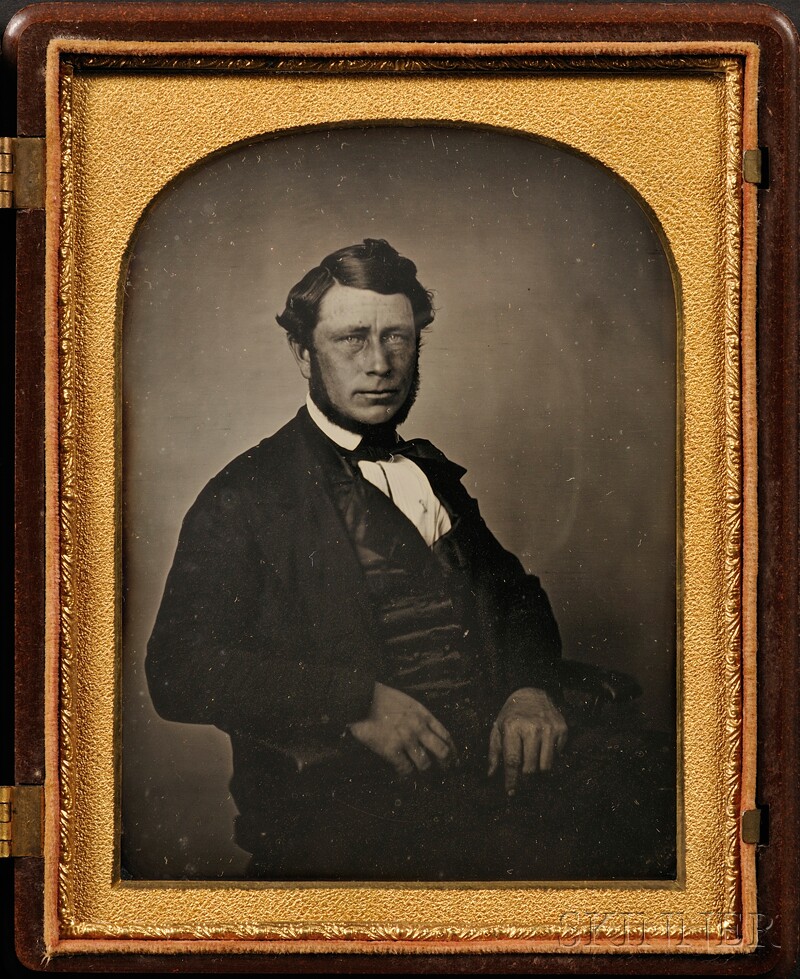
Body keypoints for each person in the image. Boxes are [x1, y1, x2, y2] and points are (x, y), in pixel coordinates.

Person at [146, 238, 672, 881]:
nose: (379, 364)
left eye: (398, 338)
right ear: (302, 350)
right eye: (352, 339)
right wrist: (354, 702)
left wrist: (527, 687)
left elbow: (515, 596)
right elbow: (180, 670)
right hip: (347, 821)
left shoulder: (431, 474)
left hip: (493, 798)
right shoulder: (247, 496)